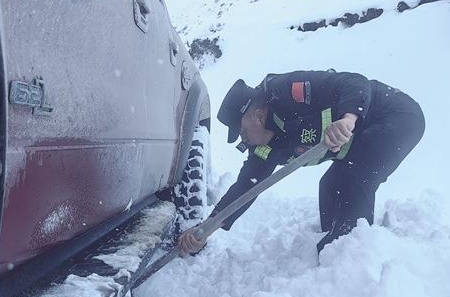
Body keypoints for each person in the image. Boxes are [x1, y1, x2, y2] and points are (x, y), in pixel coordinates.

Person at [179, 70, 425, 255]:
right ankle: (333, 253)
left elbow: (355, 82)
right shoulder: (264, 147)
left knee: (353, 177)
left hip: (396, 115)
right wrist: (206, 229)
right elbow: (246, 188)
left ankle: (354, 255)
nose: (244, 141)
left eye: (242, 132)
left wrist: (348, 119)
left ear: (258, 115)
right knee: (330, 185)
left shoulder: (286, 92)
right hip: (360, 142)